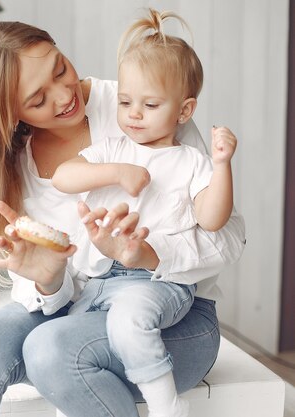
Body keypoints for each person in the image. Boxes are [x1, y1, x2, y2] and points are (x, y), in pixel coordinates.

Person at [0, 17, 245, 417]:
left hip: (168, 322)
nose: (64, 96)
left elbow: (231, 235)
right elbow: (54, 298)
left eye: (60, 69)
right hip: (80, 309)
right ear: (9, 113)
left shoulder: (140, 102)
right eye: (37, 100)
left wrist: (149, 252)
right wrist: (49, 279)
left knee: (49, 348)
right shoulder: (11, 160)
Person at [51, 9, 238, 417]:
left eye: (150, 104)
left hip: (157, 282)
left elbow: (212, 219)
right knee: (60, 339)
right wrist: (115, 172)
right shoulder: (114, 149)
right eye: (124, 101)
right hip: (100, 280)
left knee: (129, 321)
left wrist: (222, 166)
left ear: (184, 112)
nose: (133, 113)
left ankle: (167, 406)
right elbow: (63, 176)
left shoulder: (190, 162)